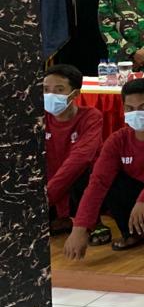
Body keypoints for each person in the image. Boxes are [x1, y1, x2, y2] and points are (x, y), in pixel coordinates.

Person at [62, 79, 144, 259]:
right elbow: (98, 182)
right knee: (106, 178)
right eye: (130, 108)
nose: (136, 113)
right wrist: (79, 228)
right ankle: (136, 232)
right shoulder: (117, 140)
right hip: (138, 207)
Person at [43, 64, 104, 235]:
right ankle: (62, 219)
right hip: (50, 183)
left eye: (59, 90)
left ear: (75, 94)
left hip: (78, 182)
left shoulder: (91, 116)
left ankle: (92, 222)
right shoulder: (38, 115)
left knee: (82, 174)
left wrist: (48, 195)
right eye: (46, 89)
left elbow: (81, 158)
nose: (50, 95)